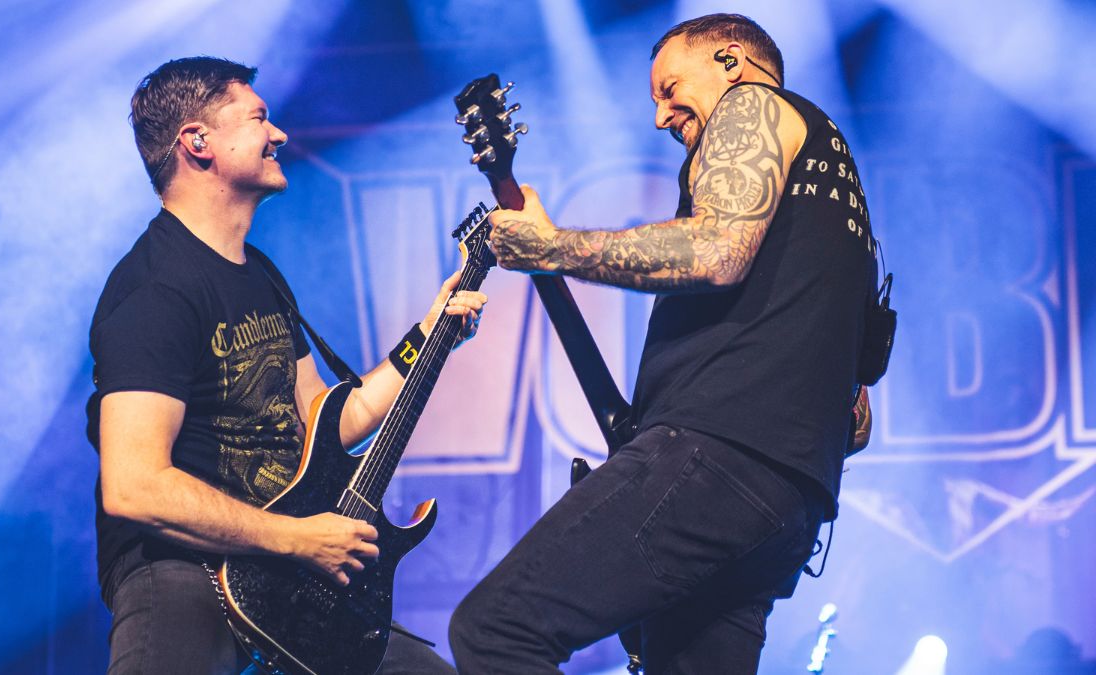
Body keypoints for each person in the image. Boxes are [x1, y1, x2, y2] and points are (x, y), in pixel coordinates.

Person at [449, 14, 877, 674]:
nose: (659, 116)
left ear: (731, 62)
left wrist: (553, 247)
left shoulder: (751, 104)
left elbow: (717, 250)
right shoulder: (833, 194)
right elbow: (857, 419)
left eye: (670, 87)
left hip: (719, 454)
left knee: (496, 628)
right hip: (789, 499)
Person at [88, 56, 485, 674]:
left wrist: (430, 335)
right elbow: (134, 485)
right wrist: (298, 538)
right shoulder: (154, 289)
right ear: (198, 142)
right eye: (259, 118)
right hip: (186, 571)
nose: (279, 135)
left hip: (289, 567)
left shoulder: (261, 275)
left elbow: (332, 420)